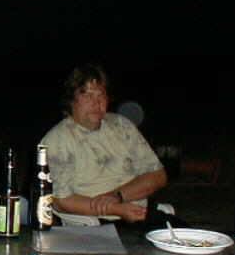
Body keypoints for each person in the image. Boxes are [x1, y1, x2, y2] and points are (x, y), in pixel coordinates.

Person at [39, 63, 170, 224]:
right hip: (96, 223)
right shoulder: (57, 140)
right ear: (71, 101)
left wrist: (117, 196)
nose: (96, 103)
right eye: (87, 95)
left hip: (142, 215)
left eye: (101, 94)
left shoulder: (121, 125)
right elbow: (60, 201)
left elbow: (158, 176)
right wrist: (115, 209)